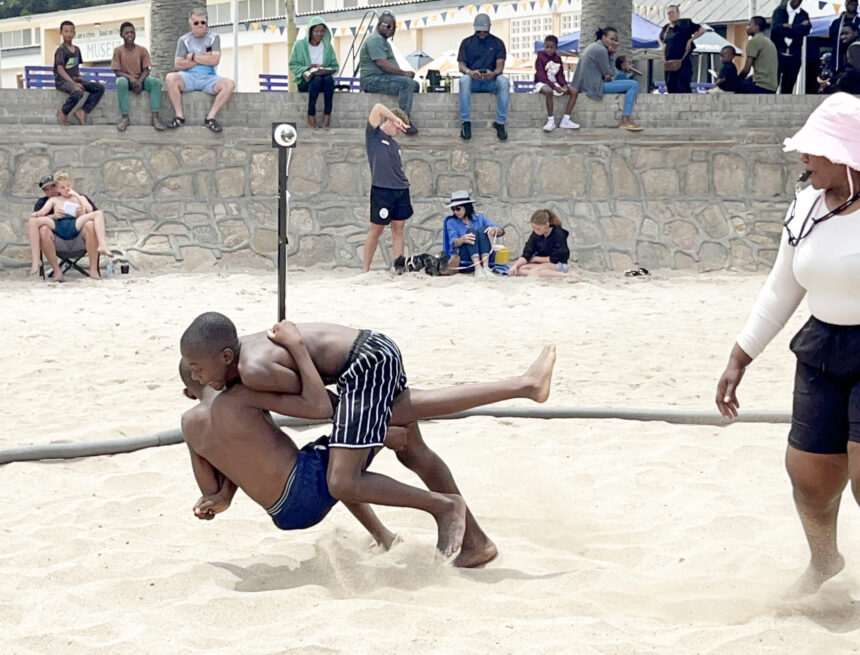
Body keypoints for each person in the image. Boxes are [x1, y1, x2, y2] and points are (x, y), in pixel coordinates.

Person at [180, 313, 557, 560]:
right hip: (367, 359)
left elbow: (319, 405)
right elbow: (324, 402)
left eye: (199, 368)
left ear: (226, 356)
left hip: (364, 365)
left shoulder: (255, 370)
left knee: (344, 478)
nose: (198, 378)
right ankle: (475, 543)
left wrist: (296, 346)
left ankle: (446, 504)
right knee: (411, 447)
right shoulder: (241, 366)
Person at [716, 93, 860, 596]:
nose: (804, 158)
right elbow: (782, 287)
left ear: (847, 155)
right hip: (822, 347)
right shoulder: (804, 207)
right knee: (808, 474)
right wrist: (741, 355)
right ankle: (825, 561)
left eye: (814, 149)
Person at [164, 7, 236, 133]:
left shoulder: (214, 38)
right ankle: (179, 116)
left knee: (230, 84)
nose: (200, 25)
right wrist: (204, 58)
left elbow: (215, 60)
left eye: (203, 22)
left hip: (209, 77)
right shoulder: (184, 40)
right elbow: (178, 64)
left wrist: (192, 56)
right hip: (189, 77)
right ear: (190, 23)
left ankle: (210, 118)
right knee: (170, 78)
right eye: (196, 23)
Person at [361, 103, 412, 274]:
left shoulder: (395, 144)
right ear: (391, 122)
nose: (398, 132)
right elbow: (377, 107)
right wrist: (395, 118)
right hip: (382, 190)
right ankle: (365, 269)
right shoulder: (374, 135)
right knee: (376, 229)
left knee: (398, 228)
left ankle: (398, 268)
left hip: (401, 189)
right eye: (397, 128)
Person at [27, 174, 105, 281]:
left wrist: (83, 212)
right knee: (42, 229)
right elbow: (37, 216)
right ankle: (53, 269)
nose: (51, 191)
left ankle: (94, 268)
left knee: (91, 224)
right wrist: (53, 216)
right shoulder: (45, 202)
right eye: (46, 189)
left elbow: (97, 215)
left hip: (79, 237)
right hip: (57, 241)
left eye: (53, 187)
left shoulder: (78, 197)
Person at [565, 27, 643, 131]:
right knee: (633, 84)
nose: (614, 43)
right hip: (594, 88)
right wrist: (611, 55)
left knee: (628, 84)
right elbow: (610, 73)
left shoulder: (594, 46)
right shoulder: (601, 50)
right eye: (611, 39)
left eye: (616, 40)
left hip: (587, 85)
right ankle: (625, 120)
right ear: (603, 37)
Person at [358, 12, 419, 136]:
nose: (391, 30)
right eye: (388, 26)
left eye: (393, 27)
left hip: (383, 77)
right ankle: (403, 121)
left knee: (415, 85)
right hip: (372, 80)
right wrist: (404, 73)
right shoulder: (375, 39)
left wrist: (404, 75)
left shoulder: (382, 40)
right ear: (379, 25)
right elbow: (382, 63)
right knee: (407, 83)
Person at [457, 13, 509, 141]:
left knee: (504, 81)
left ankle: (500, 122)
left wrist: (493, 73)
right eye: (479, 32)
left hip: (490, 81)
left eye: (484, 32)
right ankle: (466, 122)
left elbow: (500, 67)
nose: (481, 34)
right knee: (464, 80)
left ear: (489, 28)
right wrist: (470, 72)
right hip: (473, 81)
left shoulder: (497, 43)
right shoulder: (467, 43)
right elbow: (461, 65)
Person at [111, 22, 165, 132]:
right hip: (126, 80)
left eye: (132, 32)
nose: (130, 35)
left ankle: (155, 118)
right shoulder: (118, 51)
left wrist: (139, 82)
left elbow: (146, 70)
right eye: (126, 33)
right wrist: (130, 78)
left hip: (141, 80)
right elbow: (117, 72)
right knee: (120, 82)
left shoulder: (142, 50)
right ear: (121, 35)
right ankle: (125, 118)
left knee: (156, 83)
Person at [289, 16, 339, 131]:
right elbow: (293, 65)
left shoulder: (327, 47)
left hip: (323, 80)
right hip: (305, 81)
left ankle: (327, 116)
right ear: (310, 31)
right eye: (316, 31)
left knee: (327, 79)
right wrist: (308, 67)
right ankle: (311, 115)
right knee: (316, 79)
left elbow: (335, 66)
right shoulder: (299, 45)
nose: (319, 34)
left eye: (322, 31)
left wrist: (324, 68)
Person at [441, 190, 504, 277]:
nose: (455, 212)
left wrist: (495, 230)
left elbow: (501, 230)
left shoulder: (480, 218)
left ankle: (485, 267)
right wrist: (462, 239)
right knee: (471, 232)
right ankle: (477, 267)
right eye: (453, 209)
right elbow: (453, 242)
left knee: (482, 230)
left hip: (483, 253)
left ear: (466, 207)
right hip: (464, 254)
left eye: (458, 208)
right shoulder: (451, 222)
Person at [53, 20, 105, 126]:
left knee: (98, 88)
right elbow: (60, 69)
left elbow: (75, 67)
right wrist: (73, 83)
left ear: (75, 33)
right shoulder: (61, 50)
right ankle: (63, 112)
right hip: (62, 81)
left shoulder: (76, 50)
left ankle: (82, 111)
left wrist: (79, 79)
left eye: (71, 31)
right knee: (78, 92)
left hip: (75, 79)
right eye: (66, 31)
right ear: (61, 33)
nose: (69, 34)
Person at [509, 209, 576, 279]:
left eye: (538, 229)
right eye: (534, 228)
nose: (535, 231)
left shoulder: (559, 235)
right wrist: (515, 265)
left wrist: (535, 259)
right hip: (542, 264)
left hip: (558, 263)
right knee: (519, 269)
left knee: (535, 270)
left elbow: (554, 259)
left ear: (546, 225)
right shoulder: (536, 234)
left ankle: (567, 275)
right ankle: (544, 273)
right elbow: (527, 253)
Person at [534, 35, 578, 132]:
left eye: (551, 47)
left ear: (556, 48)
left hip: (555, 83)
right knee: (548, 91)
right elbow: (541, 75)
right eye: (547, 47)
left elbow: (560, 75)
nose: (549, 50)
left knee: (574, 91)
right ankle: (551, 121)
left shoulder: (558, 59)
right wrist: (554, 87)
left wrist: (564, 85)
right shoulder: (540, 57)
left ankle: (566, 120)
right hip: (542, 82)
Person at [657, 5, 705, 94]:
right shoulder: (666, 28)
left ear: (678, 13)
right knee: (671, 87)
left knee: (683, 87)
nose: (670, 15)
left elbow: (702, 30)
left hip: (683, 62)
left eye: (672, 12)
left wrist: (691, 40)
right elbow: (659, 38)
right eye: (668, 13)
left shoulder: (685, 23)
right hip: (670, 64)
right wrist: (663, 47)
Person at [770, 0, 811, 95]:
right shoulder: (779, 11)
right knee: (773, 84)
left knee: (788, 87)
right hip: (778, 54)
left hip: (794, 56)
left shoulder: (803, 14)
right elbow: (776, 30)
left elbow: (805, 30)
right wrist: (797, 28)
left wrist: (789, 27)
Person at [737, 16, 779, 94]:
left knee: (730, 85)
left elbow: (746, 69)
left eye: (749, 25)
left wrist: (737, 79)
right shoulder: (769, 42)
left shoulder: (754, 41)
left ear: (757, 27)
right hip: (772, 87)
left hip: (761, 86)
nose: (746, 28)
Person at [828, 0, 860, 75]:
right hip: (836, 65)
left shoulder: (859, 22)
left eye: (854, 2)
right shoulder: (835, 23)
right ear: (845, 3)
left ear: (857, 5)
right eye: (849, 2)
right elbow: (831, 41)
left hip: (855, 66)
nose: (851, 4)